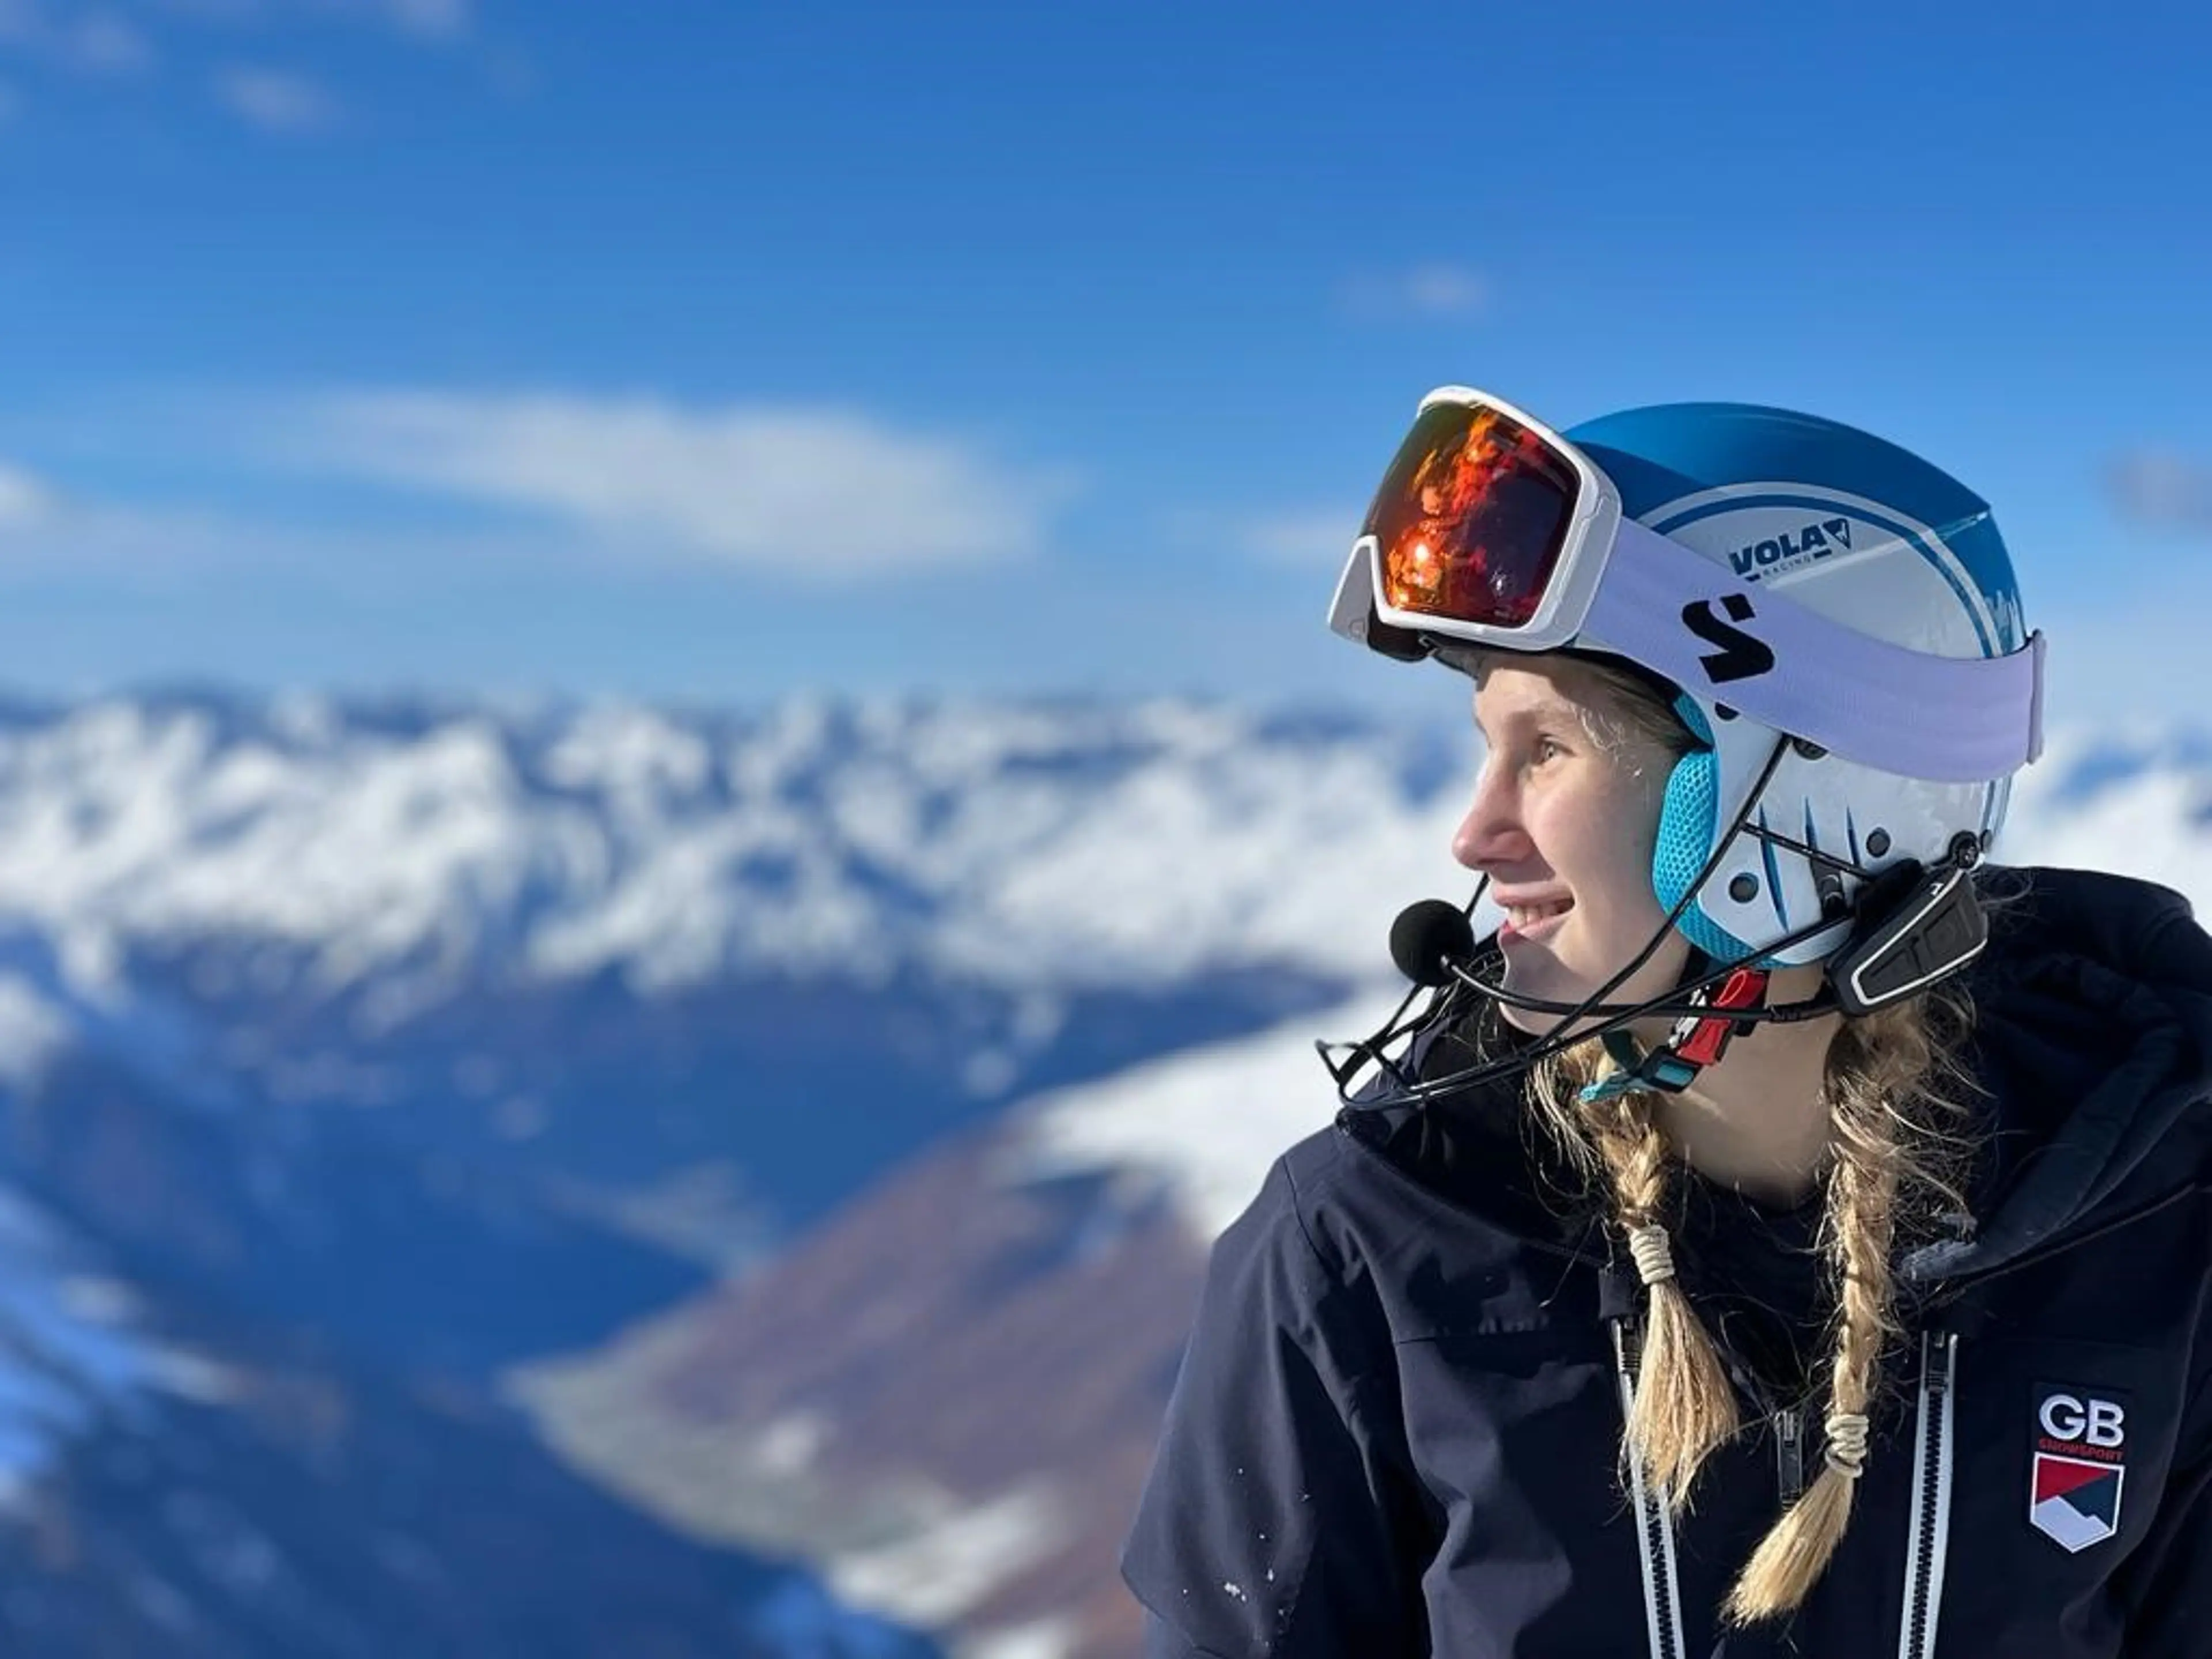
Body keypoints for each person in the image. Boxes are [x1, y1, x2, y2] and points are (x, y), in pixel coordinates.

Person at [1119, 389, 2212, 1657]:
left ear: (1806, 795)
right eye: (1490, 745)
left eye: (1548, 750)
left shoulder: (2158, 1215)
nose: (1474, 835)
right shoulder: (1370, 1248)